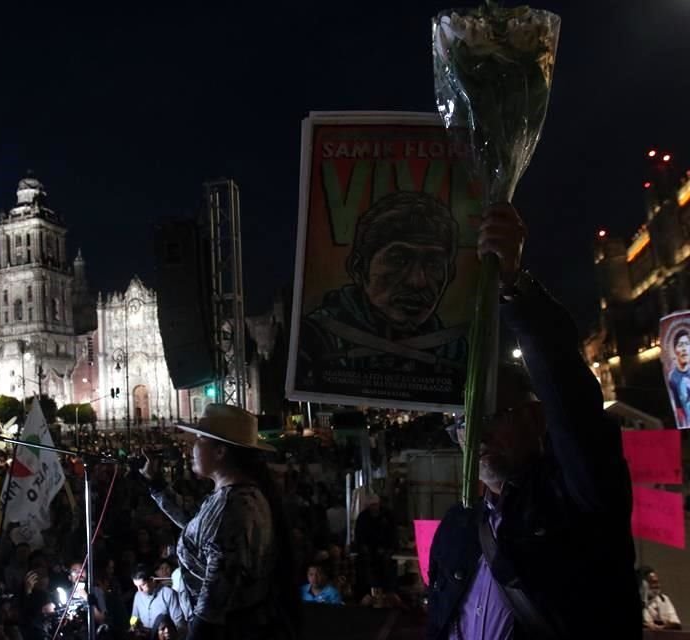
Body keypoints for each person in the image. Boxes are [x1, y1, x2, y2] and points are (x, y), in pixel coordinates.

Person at [426, 204, 642, 639]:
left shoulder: (578, 501)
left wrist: (513, 288)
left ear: (536, 418)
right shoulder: (457, 528)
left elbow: (573, 403)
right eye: (465, 422)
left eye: (495, 416)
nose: (478, 432)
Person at [140, 404, 296, 640]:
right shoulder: (235, 496)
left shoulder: (234, 507)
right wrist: (156, 483)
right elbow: (196, 523)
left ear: (220, 452)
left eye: (200, 439)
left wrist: (198, 633)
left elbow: (215, 598)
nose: (192, 446)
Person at [298, 191, 467, 387]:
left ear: (450, 275)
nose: (417, 281)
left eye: (433, 264)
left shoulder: (454, 351)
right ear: (359, 268)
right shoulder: (317, 339)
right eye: (398, 259)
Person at [129, 565, 185, 635]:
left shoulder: (168, 594)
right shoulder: (138, 595)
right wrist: (133, 625)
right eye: (136, 586)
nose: (139, 590)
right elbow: (134, 616)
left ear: (152, 580)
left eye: (142, 585)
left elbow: (179, 622)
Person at [667, 329, 690, 427]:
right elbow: (678, 408)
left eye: (686, 344)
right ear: (675, 349)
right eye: (680, 345)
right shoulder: (672, 377)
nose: (684, 348)